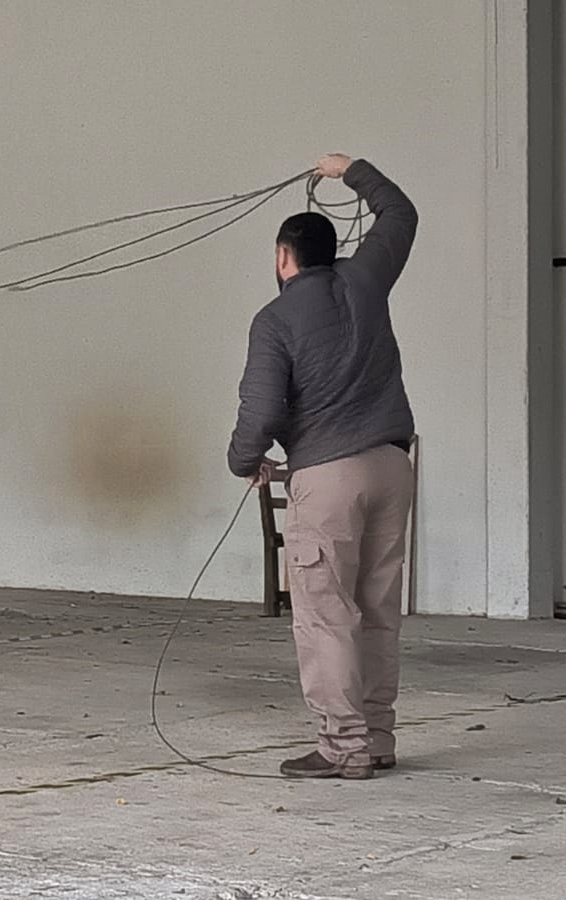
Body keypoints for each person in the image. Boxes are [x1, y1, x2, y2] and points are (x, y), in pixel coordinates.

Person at [227, 153, 419, 780]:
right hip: (391, 465)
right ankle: (378, 738)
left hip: (328, 476)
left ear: (283, 257)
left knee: (326, 614)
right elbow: (400, 213)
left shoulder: (274, 319)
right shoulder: (366, 278)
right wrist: (351, 169)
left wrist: (245, 460)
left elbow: (262, 408)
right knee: (378, 610)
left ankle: (344, 746)